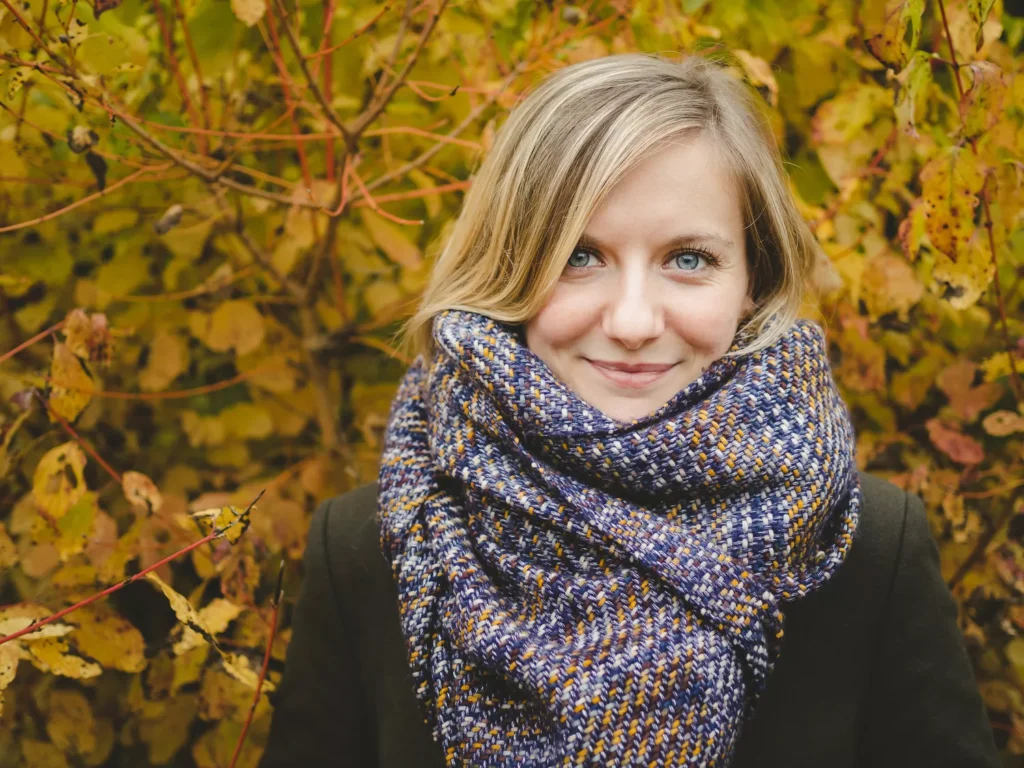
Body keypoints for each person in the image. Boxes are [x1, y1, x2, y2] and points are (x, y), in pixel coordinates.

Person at [257, 53, 1001, 767]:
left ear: (753, 279)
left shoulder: (866, 549)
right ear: (510, 268)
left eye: (689, 259)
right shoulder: (372, 545)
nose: (635, 321)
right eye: (580, 256)